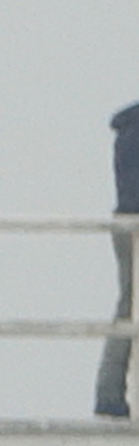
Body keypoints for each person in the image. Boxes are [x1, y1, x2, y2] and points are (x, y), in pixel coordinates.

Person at [95, 101, 139, 418]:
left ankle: (110, 395)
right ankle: (110, 395)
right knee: (130, 306)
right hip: (135, 223)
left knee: (129, 305)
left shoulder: (129, 126)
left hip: (126, 220)